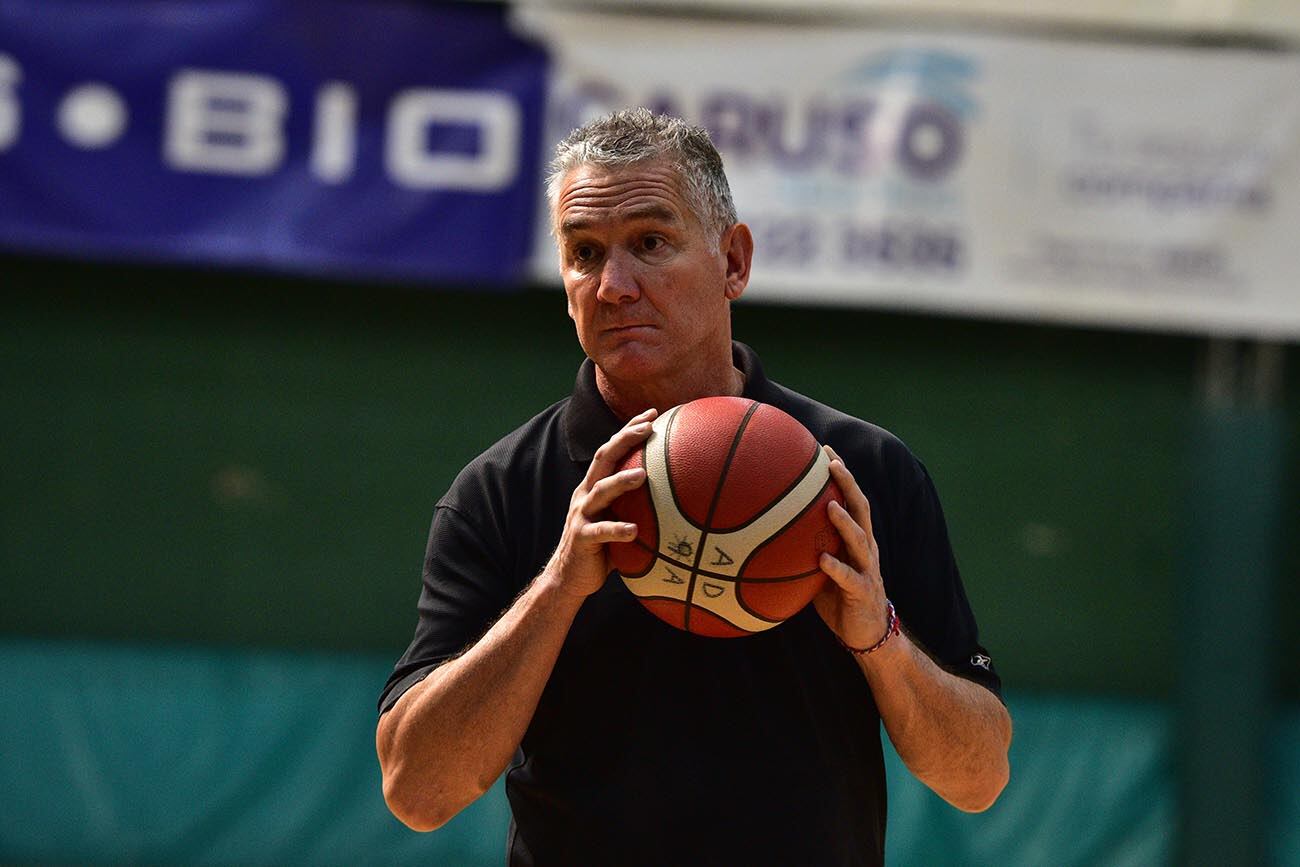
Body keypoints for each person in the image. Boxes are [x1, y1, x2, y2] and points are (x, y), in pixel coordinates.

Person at [376, 108, 1011, 866]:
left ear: (733, 262)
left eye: (650, 242)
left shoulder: (860, 473)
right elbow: (417, 792)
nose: (613, 285)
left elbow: (978, 776)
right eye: (584, 253)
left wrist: (880, 640)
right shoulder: (502, 491)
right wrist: (556, 590)